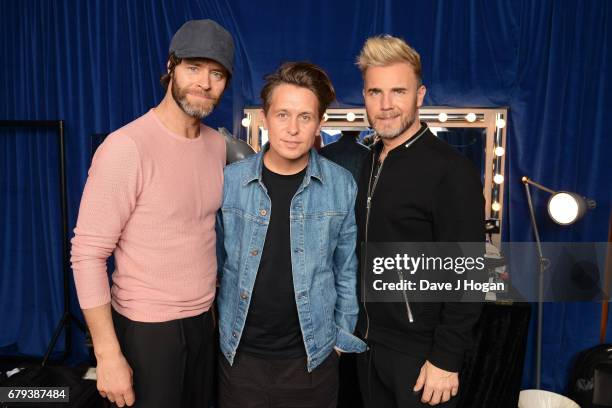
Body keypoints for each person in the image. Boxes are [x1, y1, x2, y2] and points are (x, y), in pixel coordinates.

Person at [70, 19, 234, 408]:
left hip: (203, 323)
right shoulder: (126, 146)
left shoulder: (217, 146)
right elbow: (87, 254)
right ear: (171, 67)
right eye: (194, 68)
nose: (204, 83)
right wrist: (107, 355)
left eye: (217, 74)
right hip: (146, 329)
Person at [216, 61, 366, 408]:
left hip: (313, 360)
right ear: (265, 117)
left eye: (305, 117)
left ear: (320, 122)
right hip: (240, 357)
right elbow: (215, 263)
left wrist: (339, 340)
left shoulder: (340, 183)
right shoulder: (232, 181)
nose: (293, 129)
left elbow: (346, 268)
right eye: (283, 114)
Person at [354, 35, 485, 407]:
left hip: (422, 356)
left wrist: (445, 358)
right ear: (364, 96)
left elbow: (468, 271)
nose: (386, 105)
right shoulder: (369, 160)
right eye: (375, 92)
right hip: (368, 345)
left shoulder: (450, 170)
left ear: (420, 95)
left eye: (398, 91)